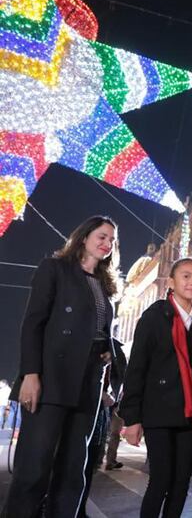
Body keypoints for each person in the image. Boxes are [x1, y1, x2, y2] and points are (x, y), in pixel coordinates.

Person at [1, 216, 119, 518]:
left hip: (88, 381)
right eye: (102, 236)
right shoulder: (55, 269)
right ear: (84, 236)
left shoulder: (105, 285)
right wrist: (30, 374)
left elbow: (100, 330)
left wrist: (107, 351)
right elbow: (33, 324)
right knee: (34, 467)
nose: (107, 244)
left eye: (111, 240)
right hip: (51, 378)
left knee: (73, 469)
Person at [118, 257, 192, 517]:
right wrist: (132, 418)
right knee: (160, 480)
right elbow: (136, 368)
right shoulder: (155, 316)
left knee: (182, 482)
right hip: (159, 411)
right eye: (185, 276)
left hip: (190, 414)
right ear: (171, 282)